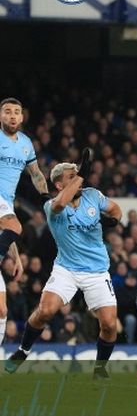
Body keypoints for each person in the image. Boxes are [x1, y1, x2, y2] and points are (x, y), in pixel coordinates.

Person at [5, 157, 123, 379]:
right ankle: (23, 351)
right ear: (59, 185)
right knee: (45, 311)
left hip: (97, 271)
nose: (80, 180)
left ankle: (99, 368)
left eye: (79, 175)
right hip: (66, 269)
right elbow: (60, 204)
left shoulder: (93, 195)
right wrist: (80, 177)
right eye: (73, 177)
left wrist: (113, 221)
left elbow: (116, 209)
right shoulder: (52, 206)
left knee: (109, 325)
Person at [0, 97, 50, 345]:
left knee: (2, 309)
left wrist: (46, 197)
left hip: (5, 204)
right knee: (16, 225)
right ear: (0, 117)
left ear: (22, 117)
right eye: (7, 111)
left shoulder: (26, 145)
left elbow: (36, 174)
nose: (11, 115)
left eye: (16, 112)